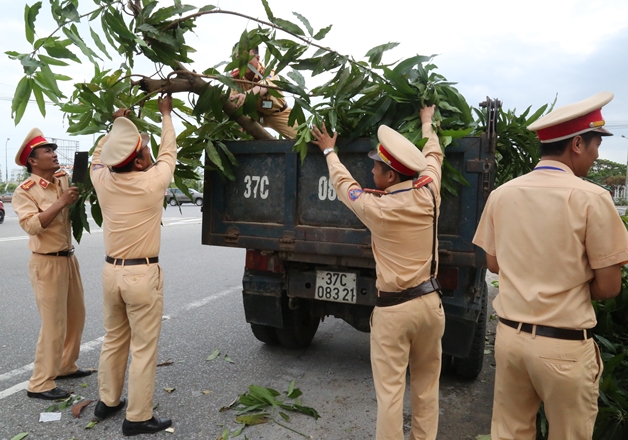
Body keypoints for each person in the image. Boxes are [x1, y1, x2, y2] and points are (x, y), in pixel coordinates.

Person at [473, 91, 628, 440]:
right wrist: (566, 279)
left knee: (510, 433)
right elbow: (609, 287)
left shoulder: (503, 194)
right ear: (576, 143)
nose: (596, 154)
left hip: (511, 340)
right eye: (595, 145)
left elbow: (494, 263)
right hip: (564, 347)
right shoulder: (591, 198)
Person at [311, 105, 445, 440]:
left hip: (394, 311)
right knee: (427, 387)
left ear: (391, 177)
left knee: (390, 393)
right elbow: (434, 156)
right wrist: (427, 122)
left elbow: (344, 184)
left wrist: (329, 150)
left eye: (375, 168)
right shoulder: (428, 191)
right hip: (430, 305)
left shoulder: (377, 208)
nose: (371, 172)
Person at [89, 95, 175, 436]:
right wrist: (166, 115)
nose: (151, 155)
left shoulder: (103, 181)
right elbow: (170, 152)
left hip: (111, 273)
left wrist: (115, 128)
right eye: (144, 151)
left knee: (113, 339)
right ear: (139, 163)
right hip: (142, 275)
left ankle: (107, 401)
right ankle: (138, 418)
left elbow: (98, 158)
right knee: (142, 347)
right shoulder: (151, 183)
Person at [12, 129, 91, 401]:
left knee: (76, 316)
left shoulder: (61, 179)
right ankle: (40, 383)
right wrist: (61, 202)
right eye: (47, 151)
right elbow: (33, 226)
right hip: (46, 263)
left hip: (68, 258)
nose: (54, 154)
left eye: (53, 150)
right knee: (53, 323)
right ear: (32, 161)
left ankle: (65, 366)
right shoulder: (24, 192)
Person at [229, 46, 297, 139]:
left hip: (278, 114)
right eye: (238, 58)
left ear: (257, 58)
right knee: (229, 135)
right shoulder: (235, 79)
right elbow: (233, 102)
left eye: (246, 57)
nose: (242, 61)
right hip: (253, 116)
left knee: (303, 139)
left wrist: (246, 95)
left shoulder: (269, 72)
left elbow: (264, 86)